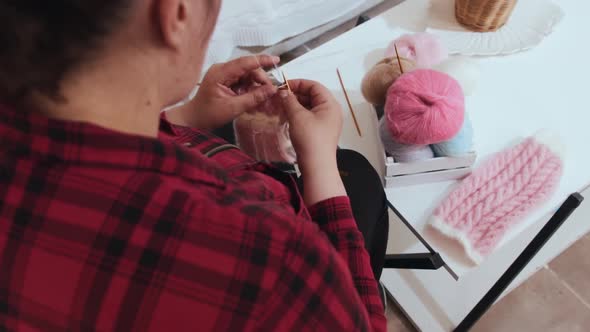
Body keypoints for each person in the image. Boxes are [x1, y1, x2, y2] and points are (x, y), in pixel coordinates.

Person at [0, 1, 388, 331]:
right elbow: (357, 319)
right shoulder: (272, 263)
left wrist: (183, 117)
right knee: (359, 180)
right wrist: (320, 163)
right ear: (177, 14)